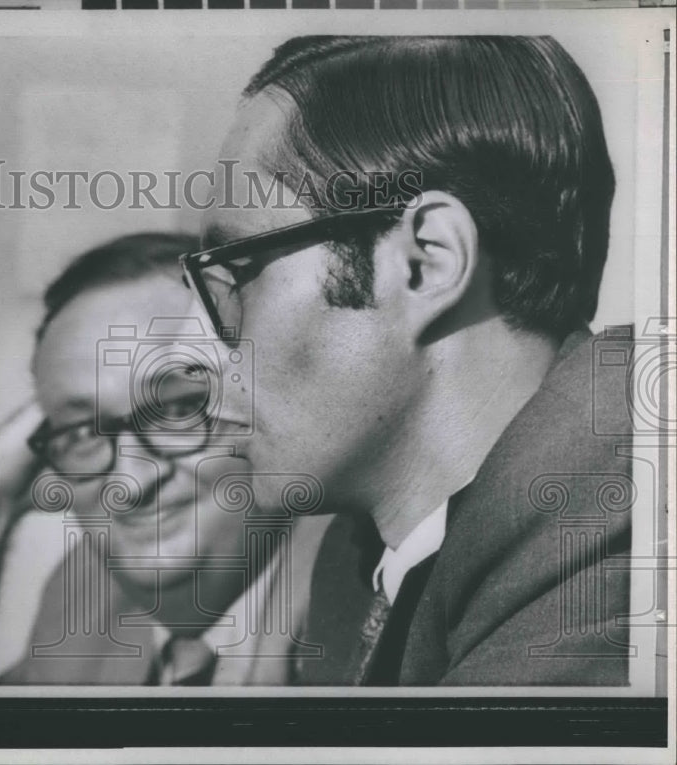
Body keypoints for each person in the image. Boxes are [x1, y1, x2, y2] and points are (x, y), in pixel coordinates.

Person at [179, 36, 633, 685]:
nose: (195, 349)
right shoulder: (408, 561)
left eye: (240, 270)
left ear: (427, 263)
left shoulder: (610, 602)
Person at [0, 233, 329, 685]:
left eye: (180, 409)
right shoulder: (86, 594)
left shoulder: (354, 584)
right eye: (83, 431)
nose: (131, 481)